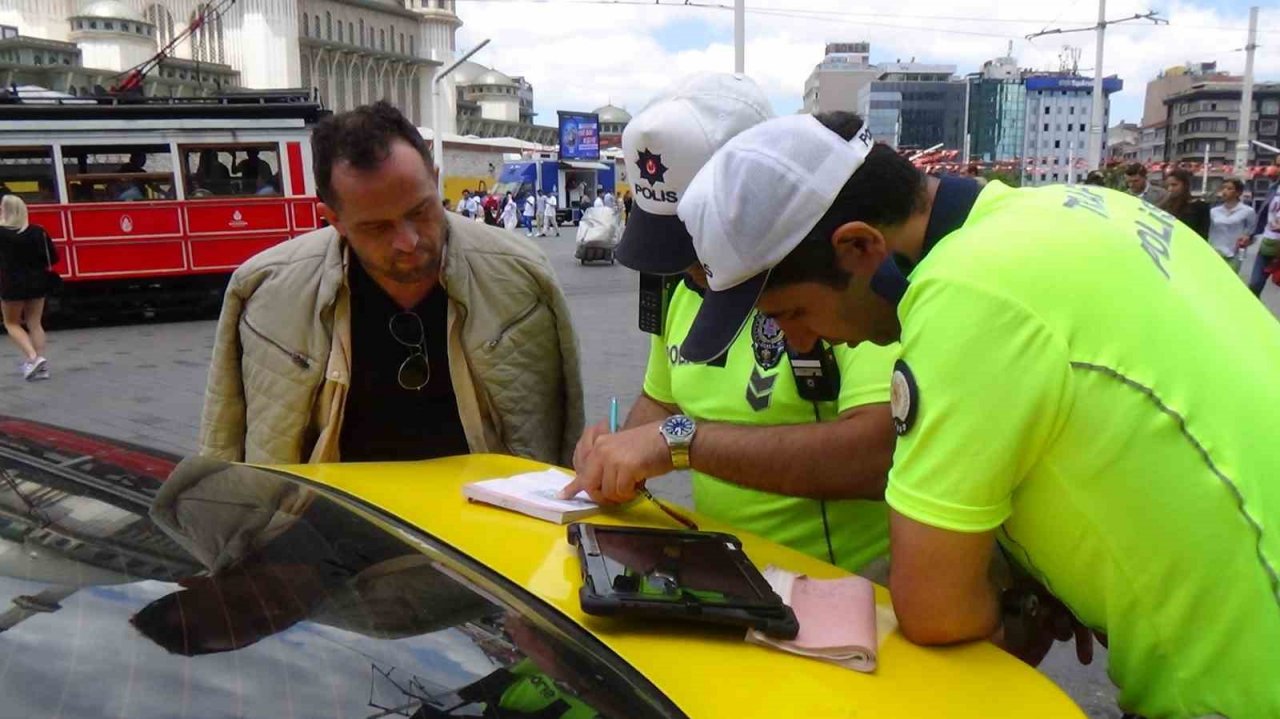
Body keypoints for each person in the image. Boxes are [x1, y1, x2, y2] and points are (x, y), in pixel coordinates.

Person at [674, 110, 1280, 718]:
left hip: (1236, 692)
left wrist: (1017, 608)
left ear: (859, 246)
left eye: (790, 315)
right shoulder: (1078, 209)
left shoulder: (967, 288)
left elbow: (936, 609)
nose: (803, 345)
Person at [562, 75, 897, 576]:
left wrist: (678, 441)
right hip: (728, 576)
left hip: (845, 589)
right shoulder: (683, 288)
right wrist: (614, 455)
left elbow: (876, 452)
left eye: (699, 239)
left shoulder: (836, 287)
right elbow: (663, 399)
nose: (695, 272)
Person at [199, 101, 583, 466]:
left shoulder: (520, 274)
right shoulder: (266, 292)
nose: (408, 241)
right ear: (333, 219)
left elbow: (564, 434)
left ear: (435, 182)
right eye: (376, 227)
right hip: (327, 526)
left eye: (421, 211)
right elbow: (225, 441)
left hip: (487, 528)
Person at [0, 195, 54, 380]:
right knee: (35, 323)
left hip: (12, 283)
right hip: (38, 281)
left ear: (4, 211)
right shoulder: (38, 231)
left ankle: (32, 359)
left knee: (12, 323)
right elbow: (52, 258)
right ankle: (41, 364)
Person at [1244, 154, 1280, 296]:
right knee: (1254, 284)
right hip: (1269, 242)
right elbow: (1263, 214)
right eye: (1277, 165)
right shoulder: (1274, 188)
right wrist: (1250, 234)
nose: (1278, 169)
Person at [1208, 178, 1256, 268]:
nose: (1225, 191)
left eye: (1229, 189)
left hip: (1235, 253)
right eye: (1223, 188)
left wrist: (1246, 238)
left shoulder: (1248, 211)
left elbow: (1251, 230)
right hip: (1215, 250)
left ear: (1238, 192)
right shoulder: (1214, 211)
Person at [1160, 168, 1210, 239]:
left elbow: (1204, 233)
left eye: (1174, 185)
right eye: (1167, 186)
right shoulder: (1165, 206)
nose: (1170, 189)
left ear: (1185, 185)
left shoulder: (1199, 206)